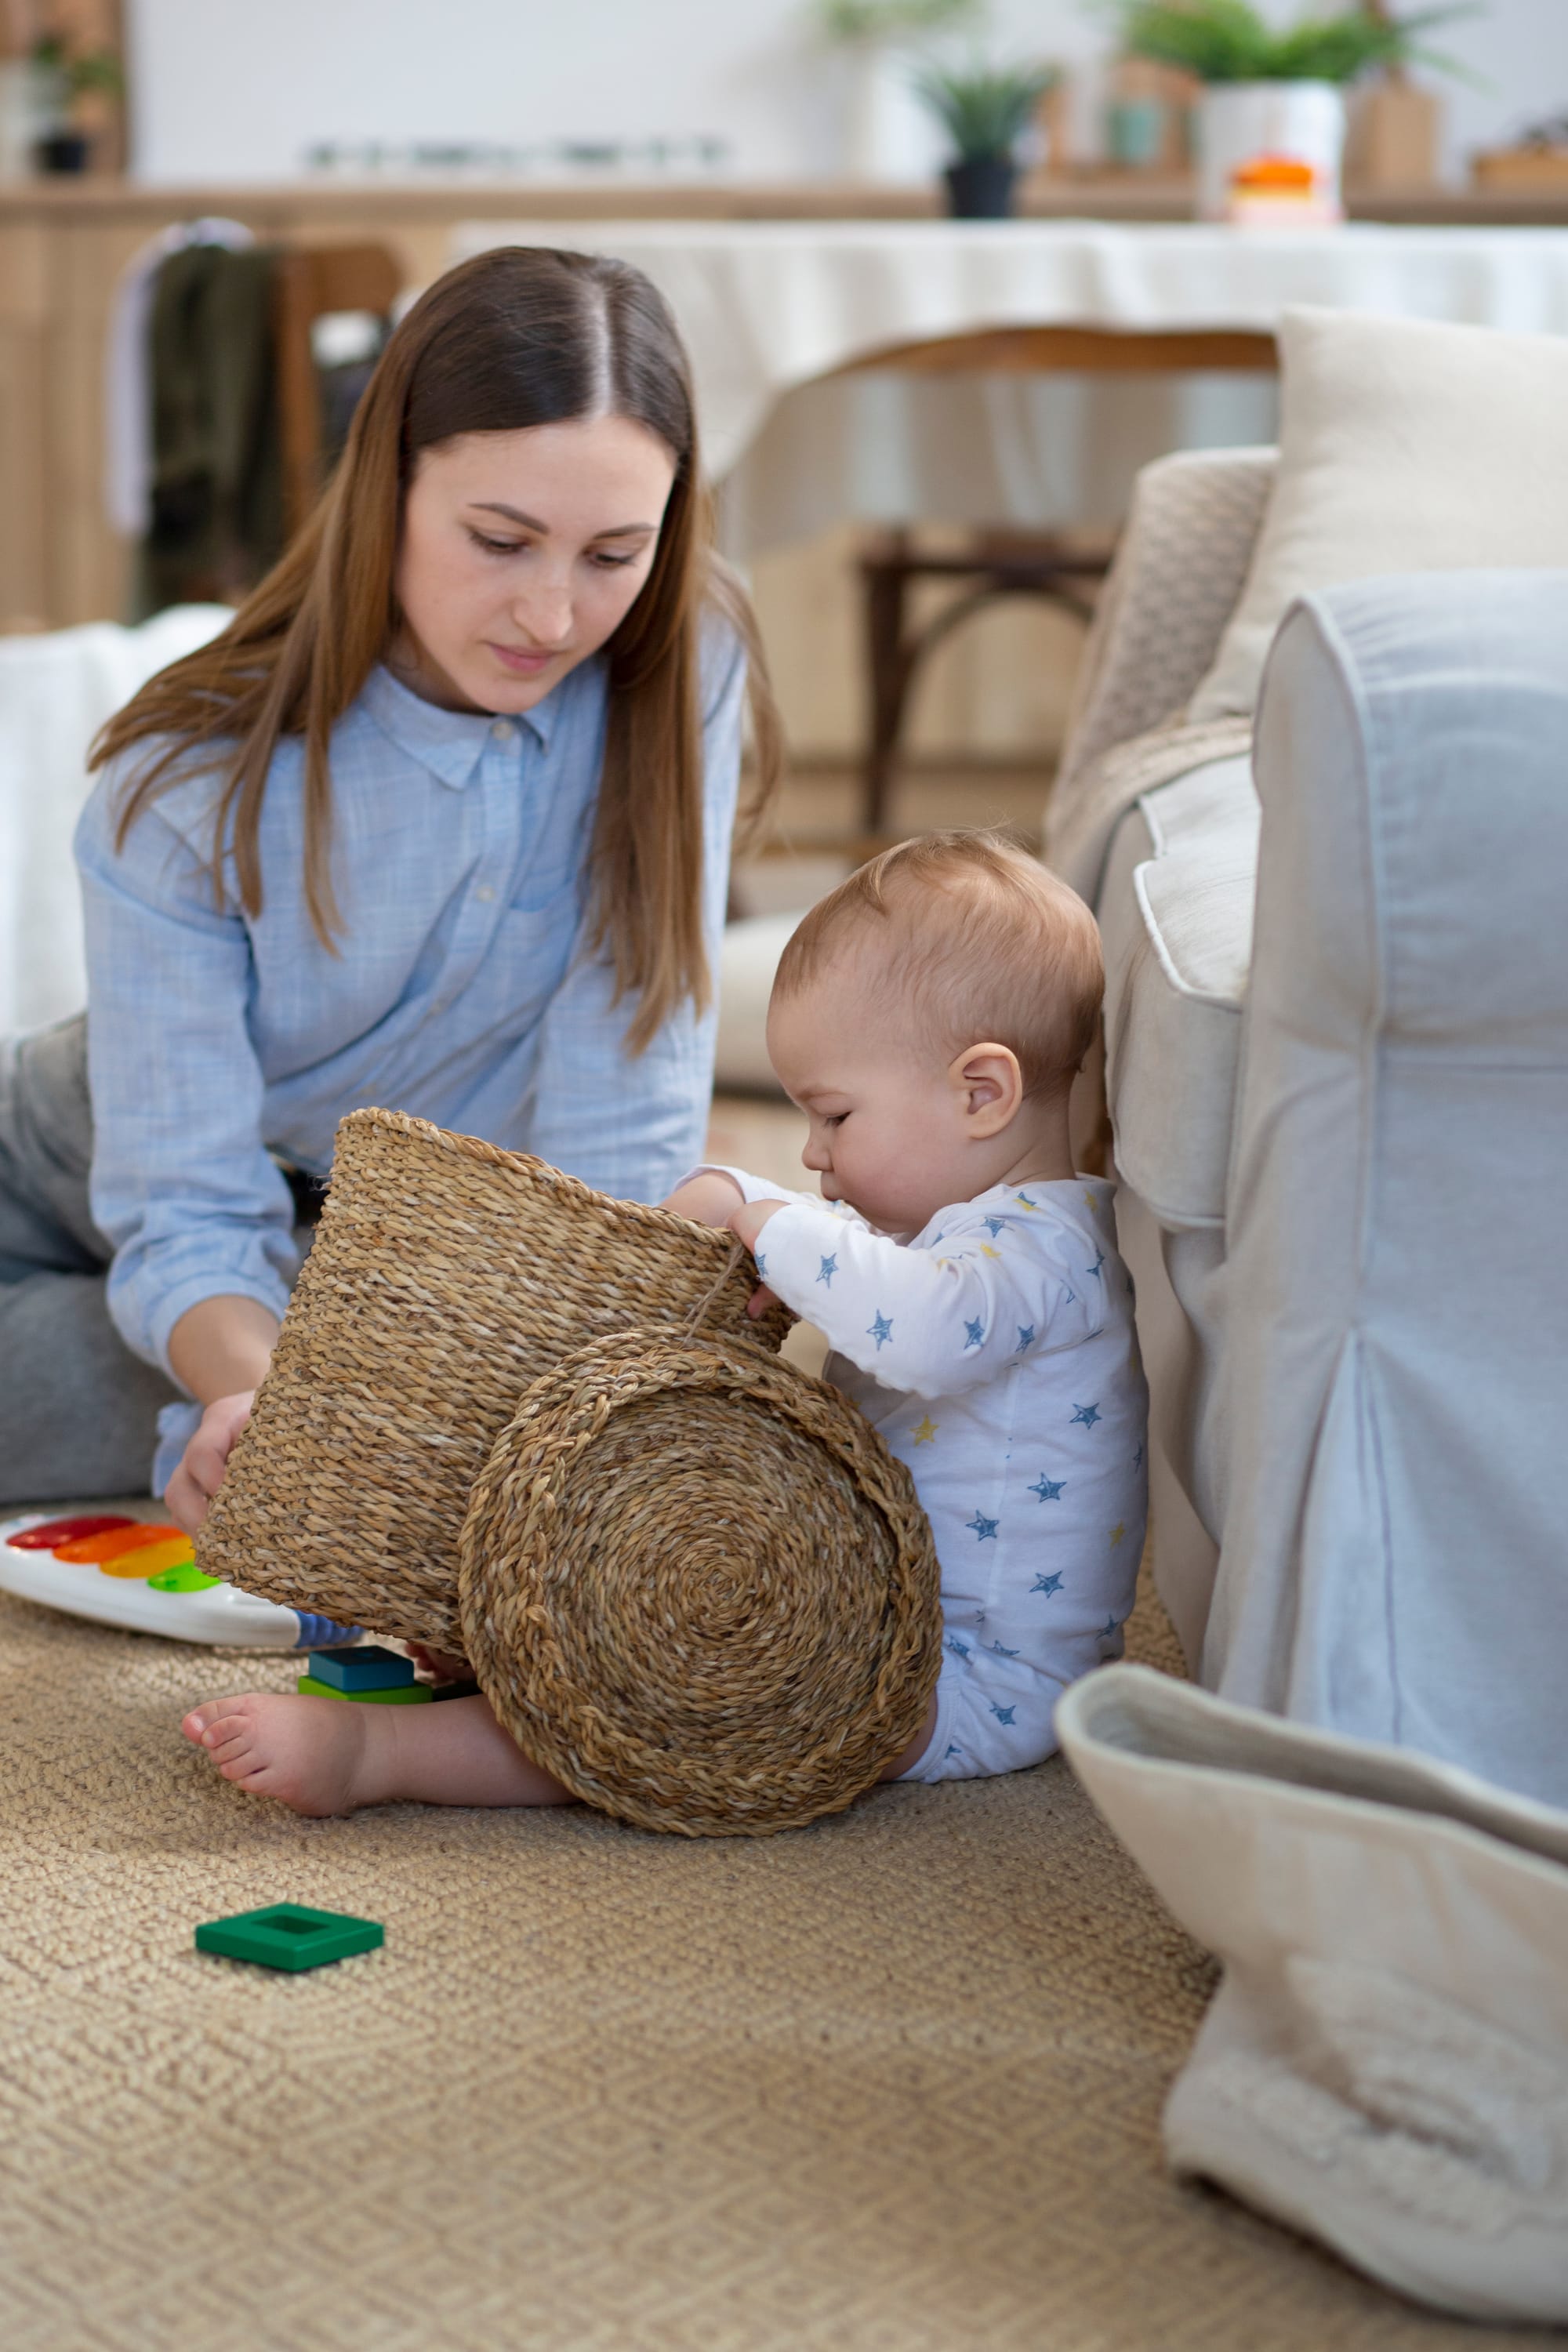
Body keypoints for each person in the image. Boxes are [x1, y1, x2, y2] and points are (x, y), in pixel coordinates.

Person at [0, 245, 779, 1510]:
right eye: (500, 538)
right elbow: (183, 1197)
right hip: (75, 1148)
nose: (552, 616)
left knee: (393, 1439)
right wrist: (254, 1390)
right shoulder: (188, 772)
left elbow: (622, 1092)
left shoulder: (685, 658)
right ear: (390, 483)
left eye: (611, 554)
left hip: (371, 1251)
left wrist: (604, 1338)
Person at [181, 832, 1148, 1814]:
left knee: (658, 1705)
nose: (814, 1156)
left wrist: (771, 1220)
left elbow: (927, 1334)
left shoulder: (1044, 1250)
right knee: (623, 1610)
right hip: (872, 1611)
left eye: (836, 1118)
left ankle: (384, 1754)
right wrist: (743, 1203)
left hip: (969, 1682)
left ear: (980, 1095)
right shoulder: (966, 1236)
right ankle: (498, 1652)